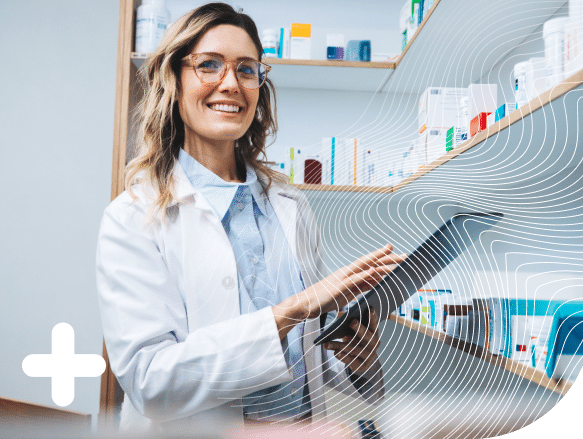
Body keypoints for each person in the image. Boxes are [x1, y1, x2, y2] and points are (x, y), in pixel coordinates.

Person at [96, 2, 403, 435]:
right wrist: (291, 311)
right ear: (174, 82)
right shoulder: (133, 218)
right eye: (208, 65)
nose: (230, 84)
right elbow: (151, 383)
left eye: (246, 69)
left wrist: (356, 359)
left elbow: (304, 358)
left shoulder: (290, 206)